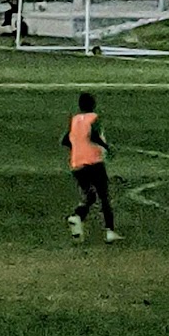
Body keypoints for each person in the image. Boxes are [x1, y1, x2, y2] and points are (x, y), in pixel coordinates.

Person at [63, 91, 121, 243]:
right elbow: (94, 135)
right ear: (93, 105)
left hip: (77, 164)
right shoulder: (94, 118)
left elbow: (65, 140)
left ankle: (77, 216)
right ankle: (110, 231)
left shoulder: (75, 120)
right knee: (103, 196)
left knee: (90, 195)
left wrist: (77, 147)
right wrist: (106, 147)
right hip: (94, 162)